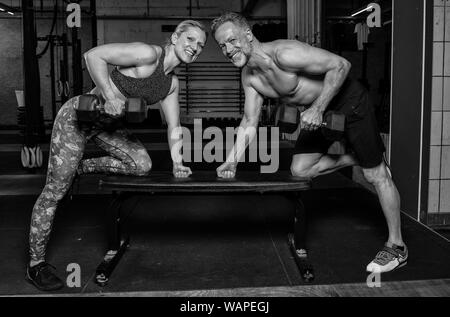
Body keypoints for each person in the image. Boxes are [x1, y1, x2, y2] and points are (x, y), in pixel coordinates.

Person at [211, 12, 407, 274]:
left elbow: (342, 66)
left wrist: (317, 108)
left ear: (247, 34)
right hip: (318, 113)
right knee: (300, 170)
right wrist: (232, 160)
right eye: (222, 45)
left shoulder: (285, 53)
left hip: (348, 102)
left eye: (232, 40)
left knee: (375, 175)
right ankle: (356, 157)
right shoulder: (250, 77)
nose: (227, 49)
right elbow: (249, 121)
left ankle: (397, 247)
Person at [26, 20, 207, 291]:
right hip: (78, 117)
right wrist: (110, 94)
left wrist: (178, 162)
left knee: (142, 164)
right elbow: (93, 55)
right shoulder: (148, 54)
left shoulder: (170, 84)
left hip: (108, 127)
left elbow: (174, 126)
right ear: (175, 37)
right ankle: (35, 265)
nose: (195, 48)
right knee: (55, 191)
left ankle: (79, 168)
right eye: (191, 39)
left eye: (201, 45)